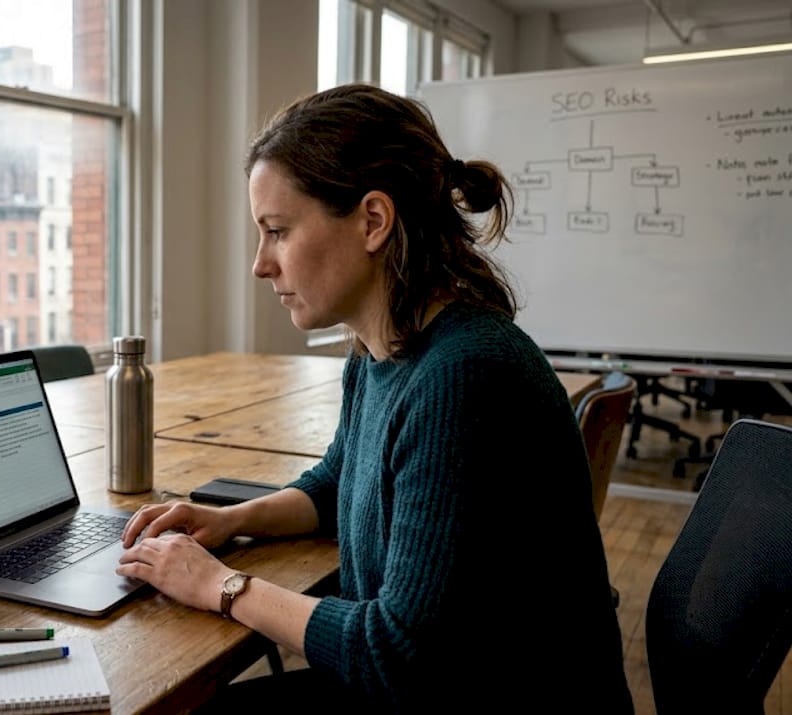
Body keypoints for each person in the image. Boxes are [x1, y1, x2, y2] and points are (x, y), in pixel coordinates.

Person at [116, 84, 633, 712]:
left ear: (373, 221)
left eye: (277, 231)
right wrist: (230, 520)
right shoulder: (383, 347)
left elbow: (400, 656)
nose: (260, 264)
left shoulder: (464, 374)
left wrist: (220, 585)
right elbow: (340, 482)